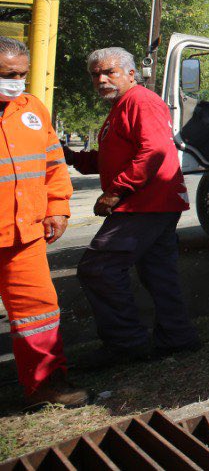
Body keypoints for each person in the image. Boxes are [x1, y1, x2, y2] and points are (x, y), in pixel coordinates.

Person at [65, 47, 200, 368]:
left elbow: (153, 153)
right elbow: (113, 157)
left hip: (145, 203)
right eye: (95, 74)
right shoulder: (121, 106)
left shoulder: (140, 101)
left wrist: (115, 192)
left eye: (109, 72)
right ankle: (177, 338)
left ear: (130, 73)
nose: (101, 79)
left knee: (98, 268)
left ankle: (126, 344)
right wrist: (72, 158)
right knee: (158, 273)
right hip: (153, 203)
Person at [0, 37, 88, 409]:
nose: (16, 82)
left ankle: (46, 386)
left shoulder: (31, 109)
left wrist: (58, 208)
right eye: (7, 74)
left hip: (25, 235)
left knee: (38, 313)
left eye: (21, 74)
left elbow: (53, 164)